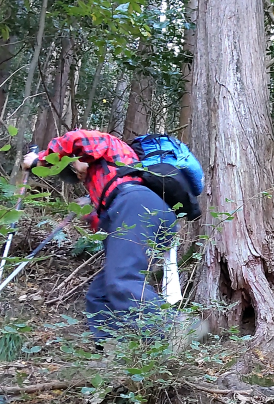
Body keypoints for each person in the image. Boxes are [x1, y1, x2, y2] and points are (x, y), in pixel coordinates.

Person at [23, 129, 178, 341]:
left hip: (137, 204)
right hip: (143, 212)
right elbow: (109, 235)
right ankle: (113, 348)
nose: (75, 171)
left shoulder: (111, 147)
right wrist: (90, 215)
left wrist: (38, 160)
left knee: (122, 280)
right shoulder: (102, 184)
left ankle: (174, 331)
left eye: (73, 164)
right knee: (100, 294)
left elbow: (75, 139)